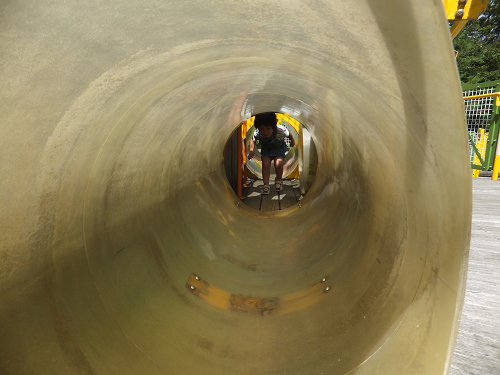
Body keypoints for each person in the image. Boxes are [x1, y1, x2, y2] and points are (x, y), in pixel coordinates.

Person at [248, 112, 295, 195]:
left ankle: (278, 180)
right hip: (266, 149)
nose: (265, 132)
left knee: (278, 163)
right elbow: (253, 139)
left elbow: (288, 133)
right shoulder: (258, 133)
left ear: (274, 126)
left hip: (279, 148)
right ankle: (266, 185)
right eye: (261, 129)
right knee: (265, 164)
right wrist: (251, 150)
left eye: (268, 128)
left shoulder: (280, 130)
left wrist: (292, 141)